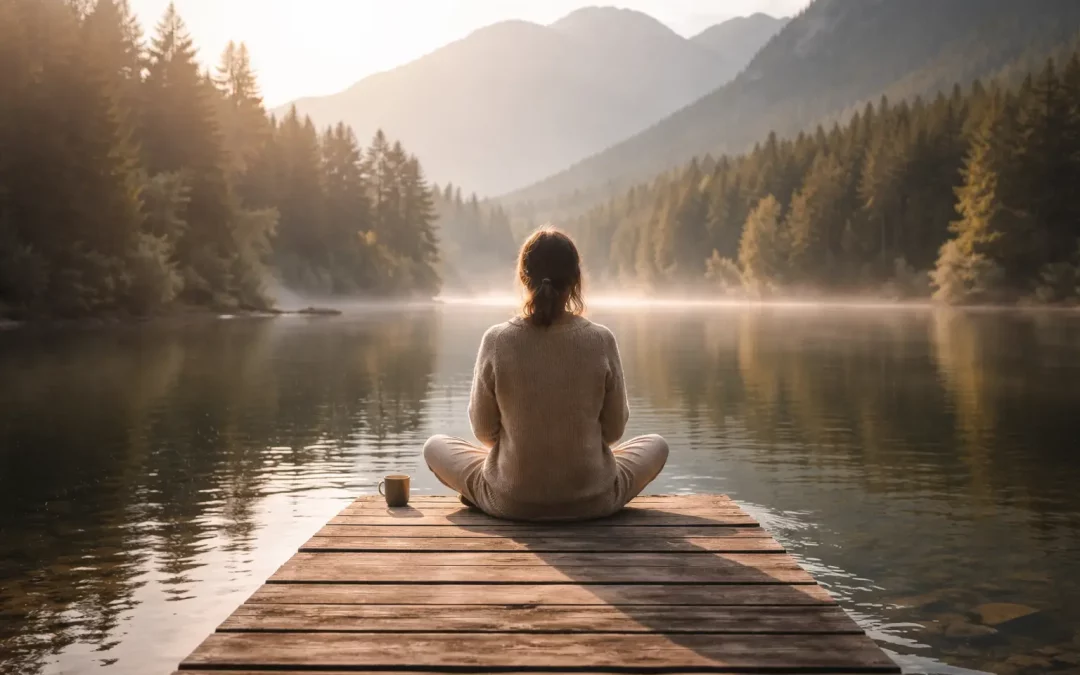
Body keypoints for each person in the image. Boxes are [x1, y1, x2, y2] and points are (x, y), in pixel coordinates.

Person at [423, 227, 669, 521]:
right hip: (593, 500)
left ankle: (489, 492)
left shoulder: (497, 340)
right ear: (576, 280)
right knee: (656, 445)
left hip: (511, 500)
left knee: (435, 446)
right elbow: (614, 432)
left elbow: (484, 432)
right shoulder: (602, 340)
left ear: (524, 278)